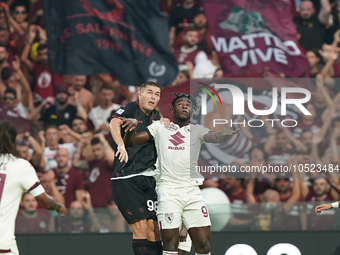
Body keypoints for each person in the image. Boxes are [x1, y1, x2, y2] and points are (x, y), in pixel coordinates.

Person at [122, 93, 240, 254]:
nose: (185, 106)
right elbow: (132, 142)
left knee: (203, 243)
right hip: (168, 191)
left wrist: (223, 135)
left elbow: (213, 137)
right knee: (171, 243)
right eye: (181, 103)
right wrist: (131, 130)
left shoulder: (198, 130)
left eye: (188, 104)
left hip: (192, 191)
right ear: (172, 109)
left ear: (192, 111)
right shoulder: (160, 127)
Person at [109, 81, 162, 255]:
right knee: (140, 227)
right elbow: (115, 123)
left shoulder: (157, 117)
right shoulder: (131, 108)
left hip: (149, 176)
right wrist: (121, 145)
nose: (153, 97)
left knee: (154, 229)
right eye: (150, 92)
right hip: (126, 176)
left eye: (157, 94)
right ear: (140, 95)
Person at [0, 119, 67, 254]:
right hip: (3, 245)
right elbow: (44, 201)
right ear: (15, 140)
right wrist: (58, 206)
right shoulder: (20, 166)